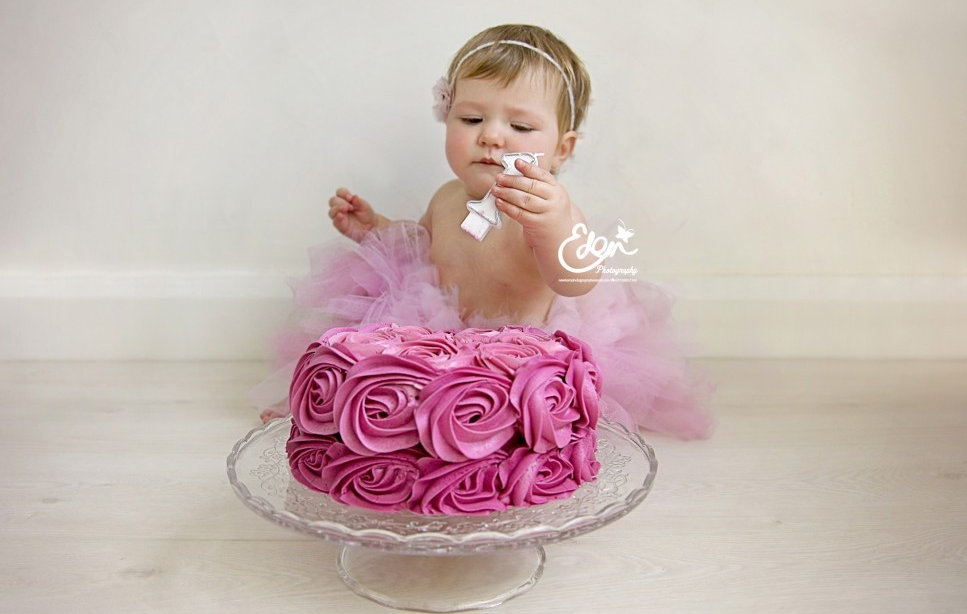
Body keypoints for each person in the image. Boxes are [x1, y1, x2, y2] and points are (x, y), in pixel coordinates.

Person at [256, 24, 713, 439]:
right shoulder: (448, 196)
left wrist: (552, 228)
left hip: (522, 357)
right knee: (378, 377)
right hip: (437, 339)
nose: (492, 137)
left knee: (517, 421)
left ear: (561, 148)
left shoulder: (550, 208)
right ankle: (336, 418)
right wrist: (375, 229)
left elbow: (576, 280)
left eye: (520, 126)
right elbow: (420, 249)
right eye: (472, 119)